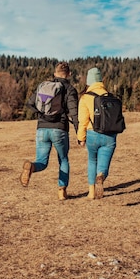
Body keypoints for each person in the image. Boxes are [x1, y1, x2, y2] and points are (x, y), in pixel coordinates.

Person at [19, 62, 79, 200]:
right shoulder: (69, 89)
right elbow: (74, 113)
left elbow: (29, 103)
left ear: (54, 73)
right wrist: (79, 132)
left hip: (42, 129)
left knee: (42, 161)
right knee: (63, 159)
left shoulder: (44, 86)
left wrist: (41, 115)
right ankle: (62, 190)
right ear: (69, 74)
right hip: (60, 129)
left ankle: (32, 167)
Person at [77, 67, 117, 200]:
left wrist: (81, 138)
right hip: (110, 136)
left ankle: (91, 192)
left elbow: (83, 120)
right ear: (101, 80)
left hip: (92, 134)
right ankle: (101, 176)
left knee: (92, 161)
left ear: (88, 81)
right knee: (103, 164)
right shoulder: (109, 96)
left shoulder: (85, 98)